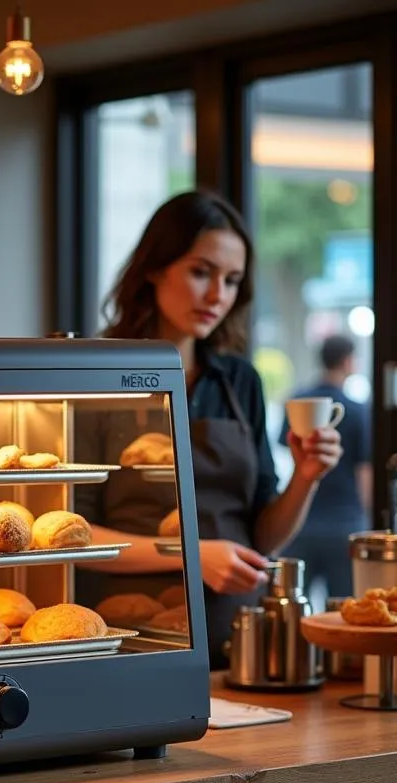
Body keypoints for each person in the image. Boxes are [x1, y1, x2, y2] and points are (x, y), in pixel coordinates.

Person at [74, 190, 342, 667]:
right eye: (202, 272)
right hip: (128, 637)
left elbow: (262, 537)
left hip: (235, 639)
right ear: (155, 268)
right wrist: (190, 555)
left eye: (232, 280)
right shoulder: (96, 376)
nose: (218, 295)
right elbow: (74, 536)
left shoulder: (240, 381)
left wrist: (306, 477)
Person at [277, 334, 371, 603]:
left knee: (296, 606)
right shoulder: (357, 409)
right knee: (342, 609)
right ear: (348, 361)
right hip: (345, 523)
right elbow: (364, 472)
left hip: (300, 519)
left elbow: (287, 449)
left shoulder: (297, 400)